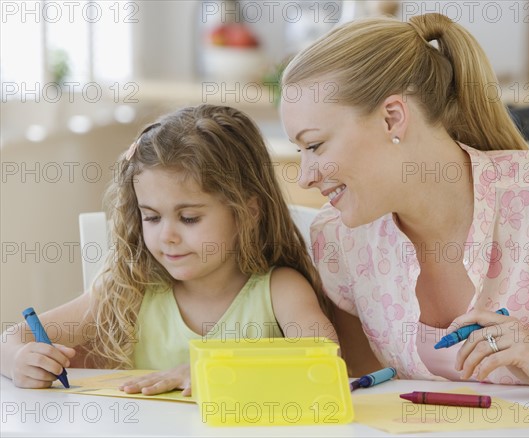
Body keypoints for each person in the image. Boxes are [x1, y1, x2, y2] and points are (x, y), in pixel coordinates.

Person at [279, 13, 529, 398]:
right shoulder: (340, 240)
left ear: (391, 118)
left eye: (314, 146)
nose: (305, 177)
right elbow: (355, 386)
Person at [0, 104, 336, 396]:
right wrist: (18, 360)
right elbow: (11, 340)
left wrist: (216, 368)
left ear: (247, 212)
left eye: (189, 218)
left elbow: (326, 358)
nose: (168, 236)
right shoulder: (129, 290)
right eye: (152, 217)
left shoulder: (280, 290)